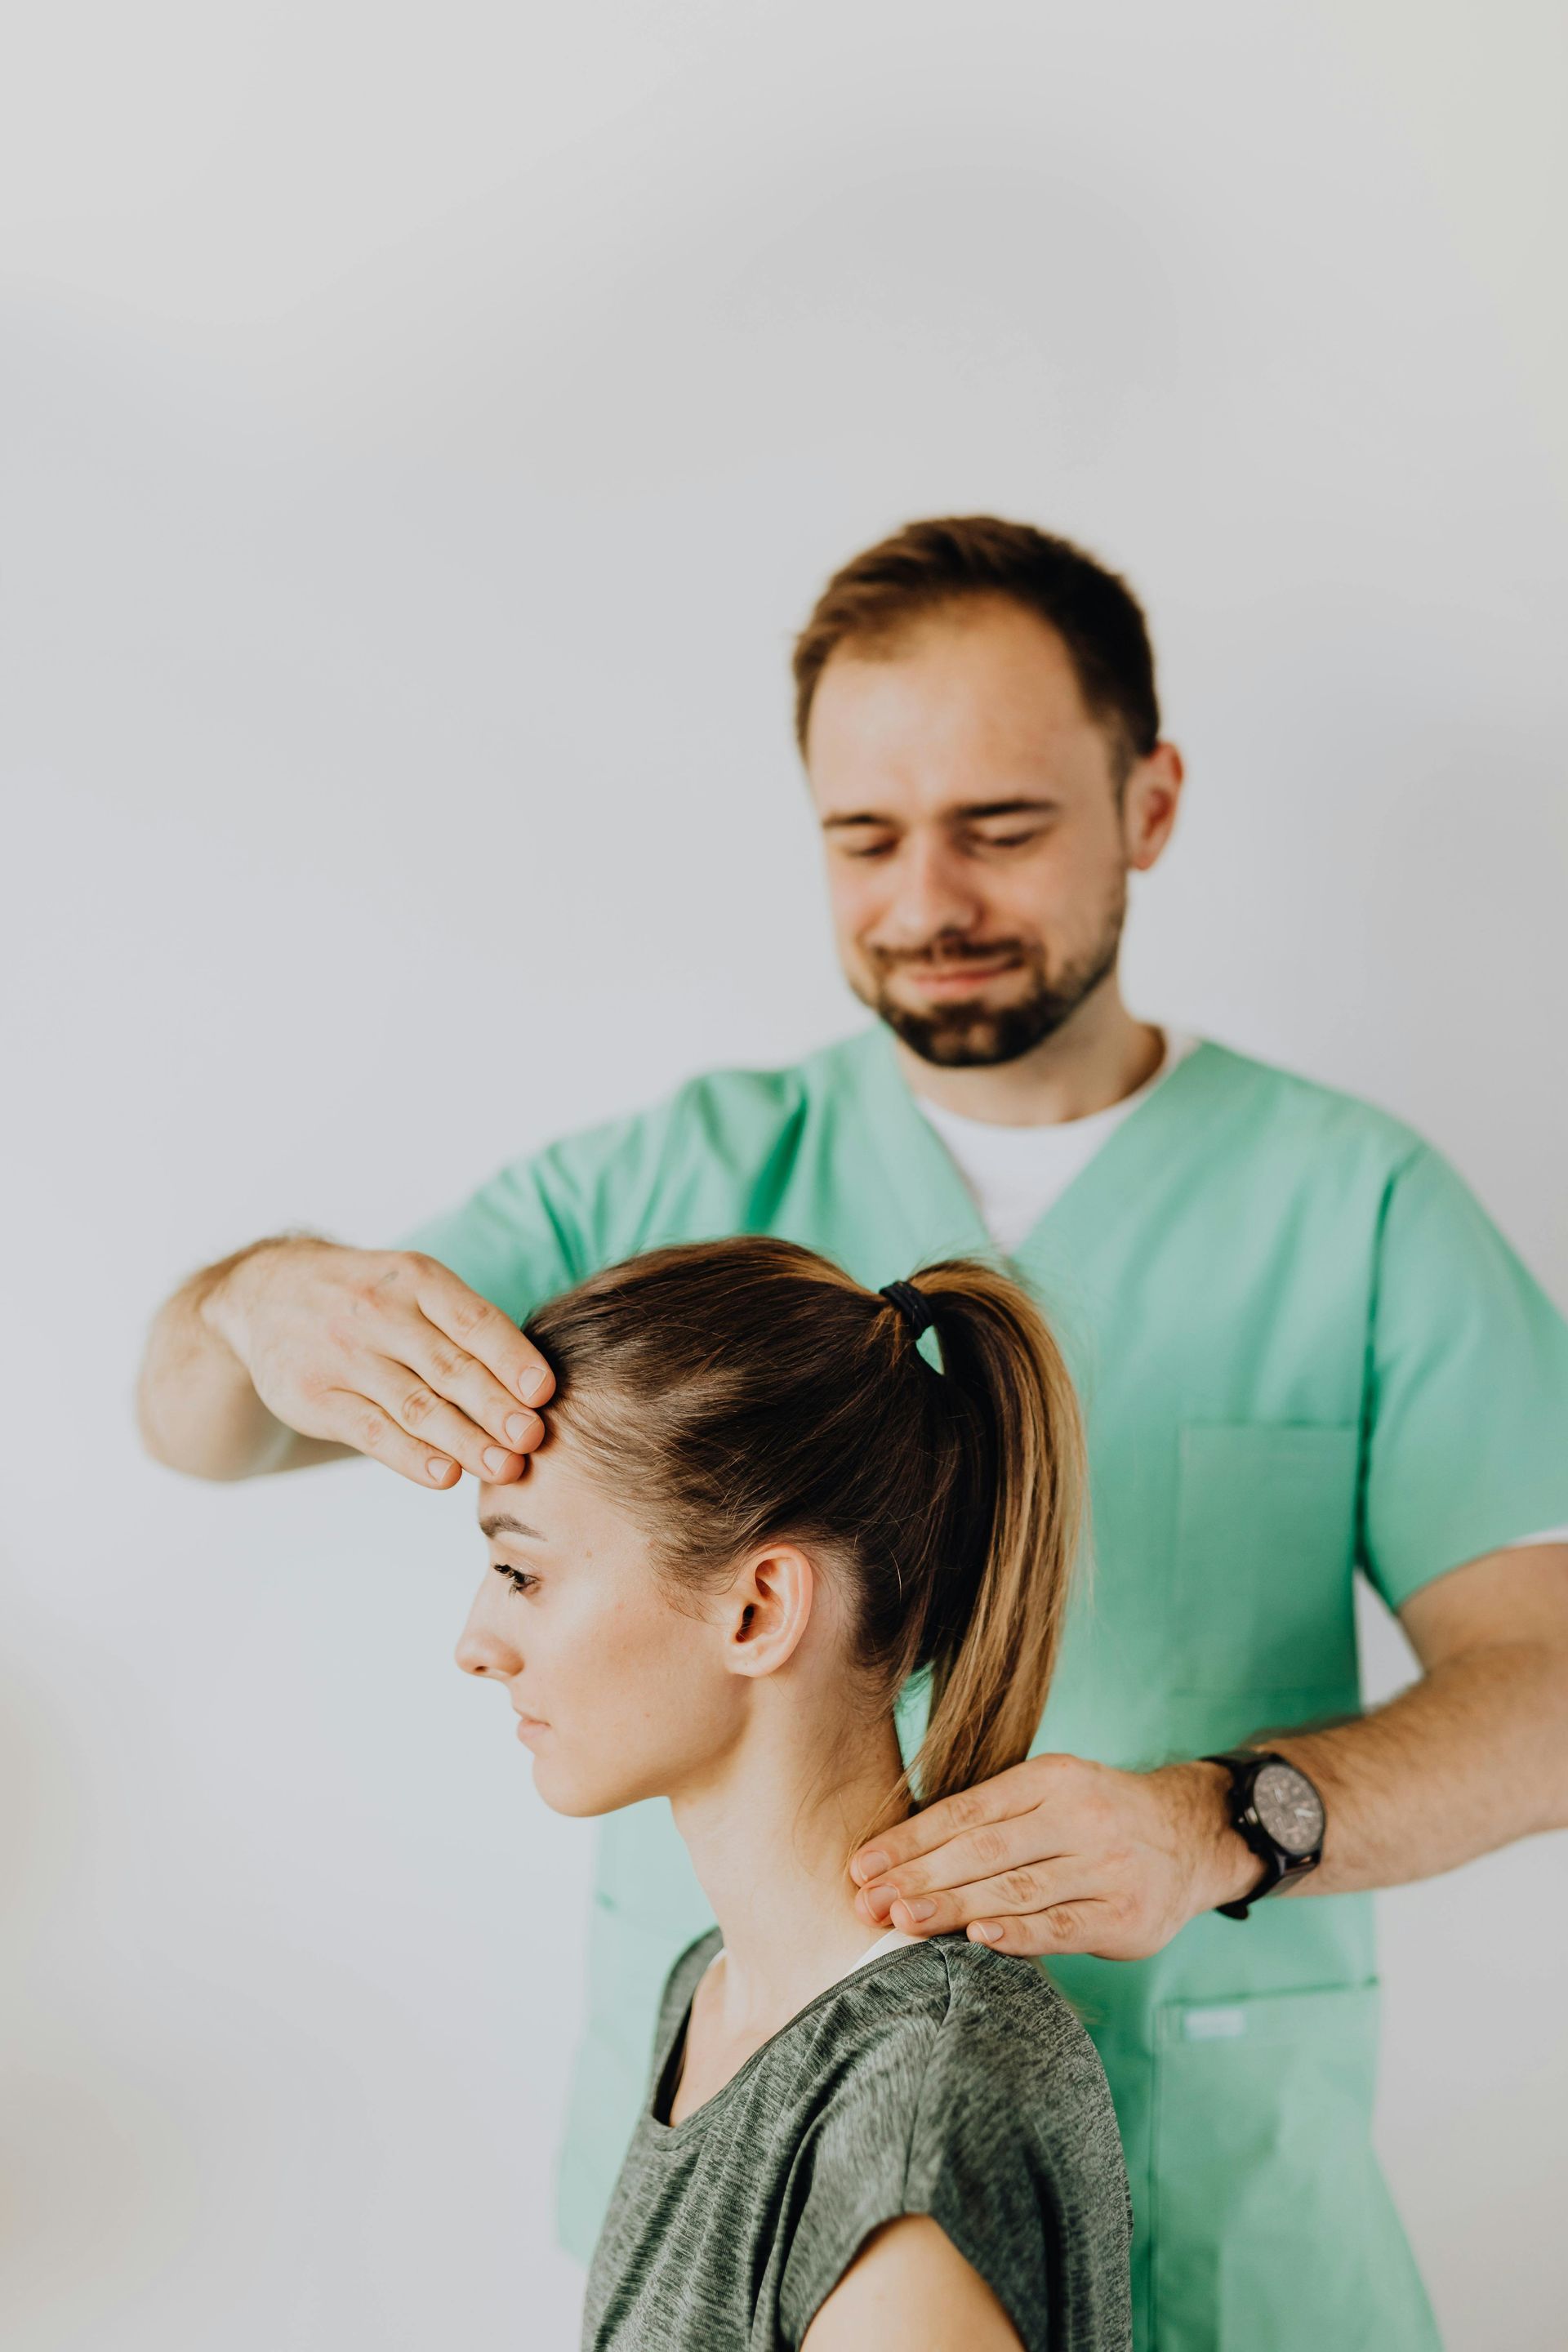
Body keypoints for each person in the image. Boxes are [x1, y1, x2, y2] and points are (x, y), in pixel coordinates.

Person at [136, 514, 1568, 2352]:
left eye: (1003, 828)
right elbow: (204, 1433)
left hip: (1223, 2237)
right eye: (865, 839)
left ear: (1151, 804)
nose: (926, 901)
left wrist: (1235, 1821)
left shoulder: (1354, 1209)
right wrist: (257, 1298)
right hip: (751, 2192)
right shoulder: (673, 1185)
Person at [455, 1233, 1134, 2350]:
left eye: (521, 1571)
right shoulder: (713, 1994)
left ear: (759, 1611)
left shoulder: (913, 2114)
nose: (476, 1643)